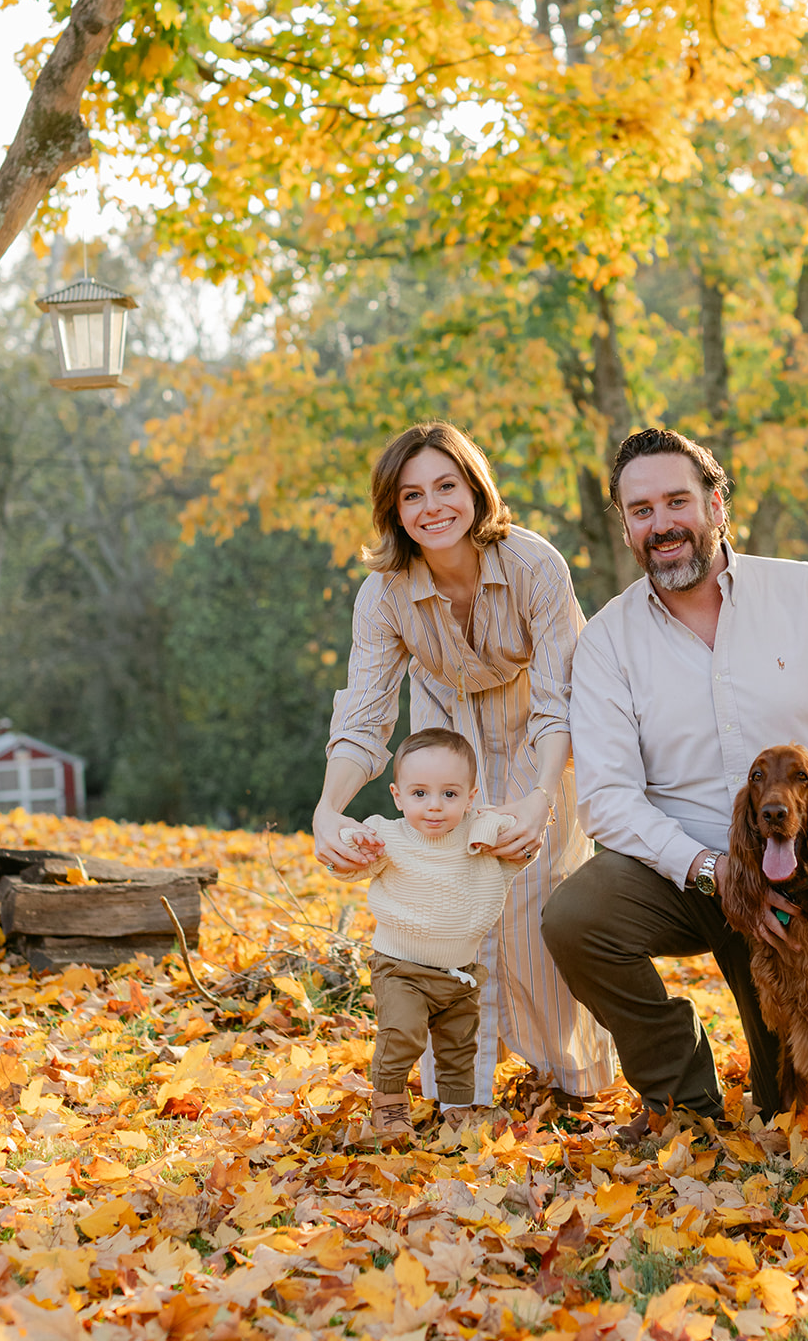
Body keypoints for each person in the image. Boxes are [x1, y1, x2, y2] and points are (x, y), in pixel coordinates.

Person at [541, 426, 808, 1141]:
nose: (662, 524)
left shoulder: (807, 594)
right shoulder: (608, 641)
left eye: (677, 501)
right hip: (693, 875)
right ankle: (681, 1096)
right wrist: (713, 869)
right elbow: (607, 798)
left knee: (784, 1107)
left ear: (716, 505)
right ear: (627, 527)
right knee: (576, 918)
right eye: (641, 510)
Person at [313, 420, 616, 1107]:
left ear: (475, 490)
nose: (433, 507)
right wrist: (327, 810)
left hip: (543, 749)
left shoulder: (535, 567)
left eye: (446, 486)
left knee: (539, 911)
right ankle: (461, 1095)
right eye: (412, 494)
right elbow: (364, 717)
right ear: (394, 509)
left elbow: (560, 703)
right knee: (444, 904)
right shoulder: (383, 594)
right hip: (447, 759)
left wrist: (540, 797)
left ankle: (570, 1086)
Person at [335, 728, 523, 1139]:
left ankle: (456, 1111)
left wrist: (489, 828)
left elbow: (517, 840)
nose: (434, 805)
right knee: (402, 1033)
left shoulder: (479, 838)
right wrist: (354, 843)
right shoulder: (388, 836)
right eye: (419, 793)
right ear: (398, 796)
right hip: (400, 968)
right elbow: (349, 864)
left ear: (470, 797)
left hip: (460, 974)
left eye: (449, 794)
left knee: (459, 1045)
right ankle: (389, 1103)